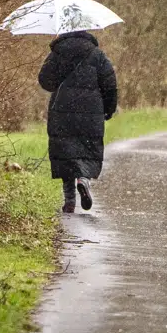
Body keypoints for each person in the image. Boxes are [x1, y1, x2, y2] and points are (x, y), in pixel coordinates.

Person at [38, 29, 117, 213]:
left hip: (62, 110)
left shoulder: (57, 53)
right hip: (91, 111)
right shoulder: (97, 55)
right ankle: (83, 180)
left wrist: (59, 75)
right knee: (86, 148)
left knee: (66, 152)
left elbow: (45, 81)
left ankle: (69, 201)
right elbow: (110, 85)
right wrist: (109, 109)